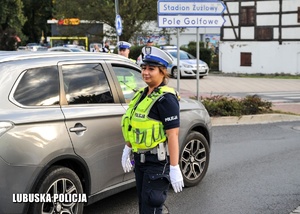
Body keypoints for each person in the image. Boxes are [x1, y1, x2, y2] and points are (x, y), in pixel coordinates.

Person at [121, 46, 184, 213]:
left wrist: (175, 166)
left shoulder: (167, 99)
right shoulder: (142, 94)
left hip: (157, 163)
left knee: (151, 207)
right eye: (143, 68)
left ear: (163, 72)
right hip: (140, 161)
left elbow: (173, 135)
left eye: (151, 69)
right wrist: (128, 148)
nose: (145, 72)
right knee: (144, 207)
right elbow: (133, 125)